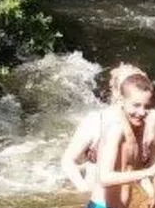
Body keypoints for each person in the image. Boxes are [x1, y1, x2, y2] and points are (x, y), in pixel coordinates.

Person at [72, 67, 155, 208]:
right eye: (136, 105)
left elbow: (136, 172)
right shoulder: (115, 129)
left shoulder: (140, 126)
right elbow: (104, 178)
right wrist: (148, 172)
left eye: (146, 106)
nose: (141, 112)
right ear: (122, 100)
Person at [58, 62, 146, 192]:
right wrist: (84, 189)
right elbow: (68, 160)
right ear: (117, 92)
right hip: (97, 196)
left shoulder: (145, 122)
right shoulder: (96, 120)